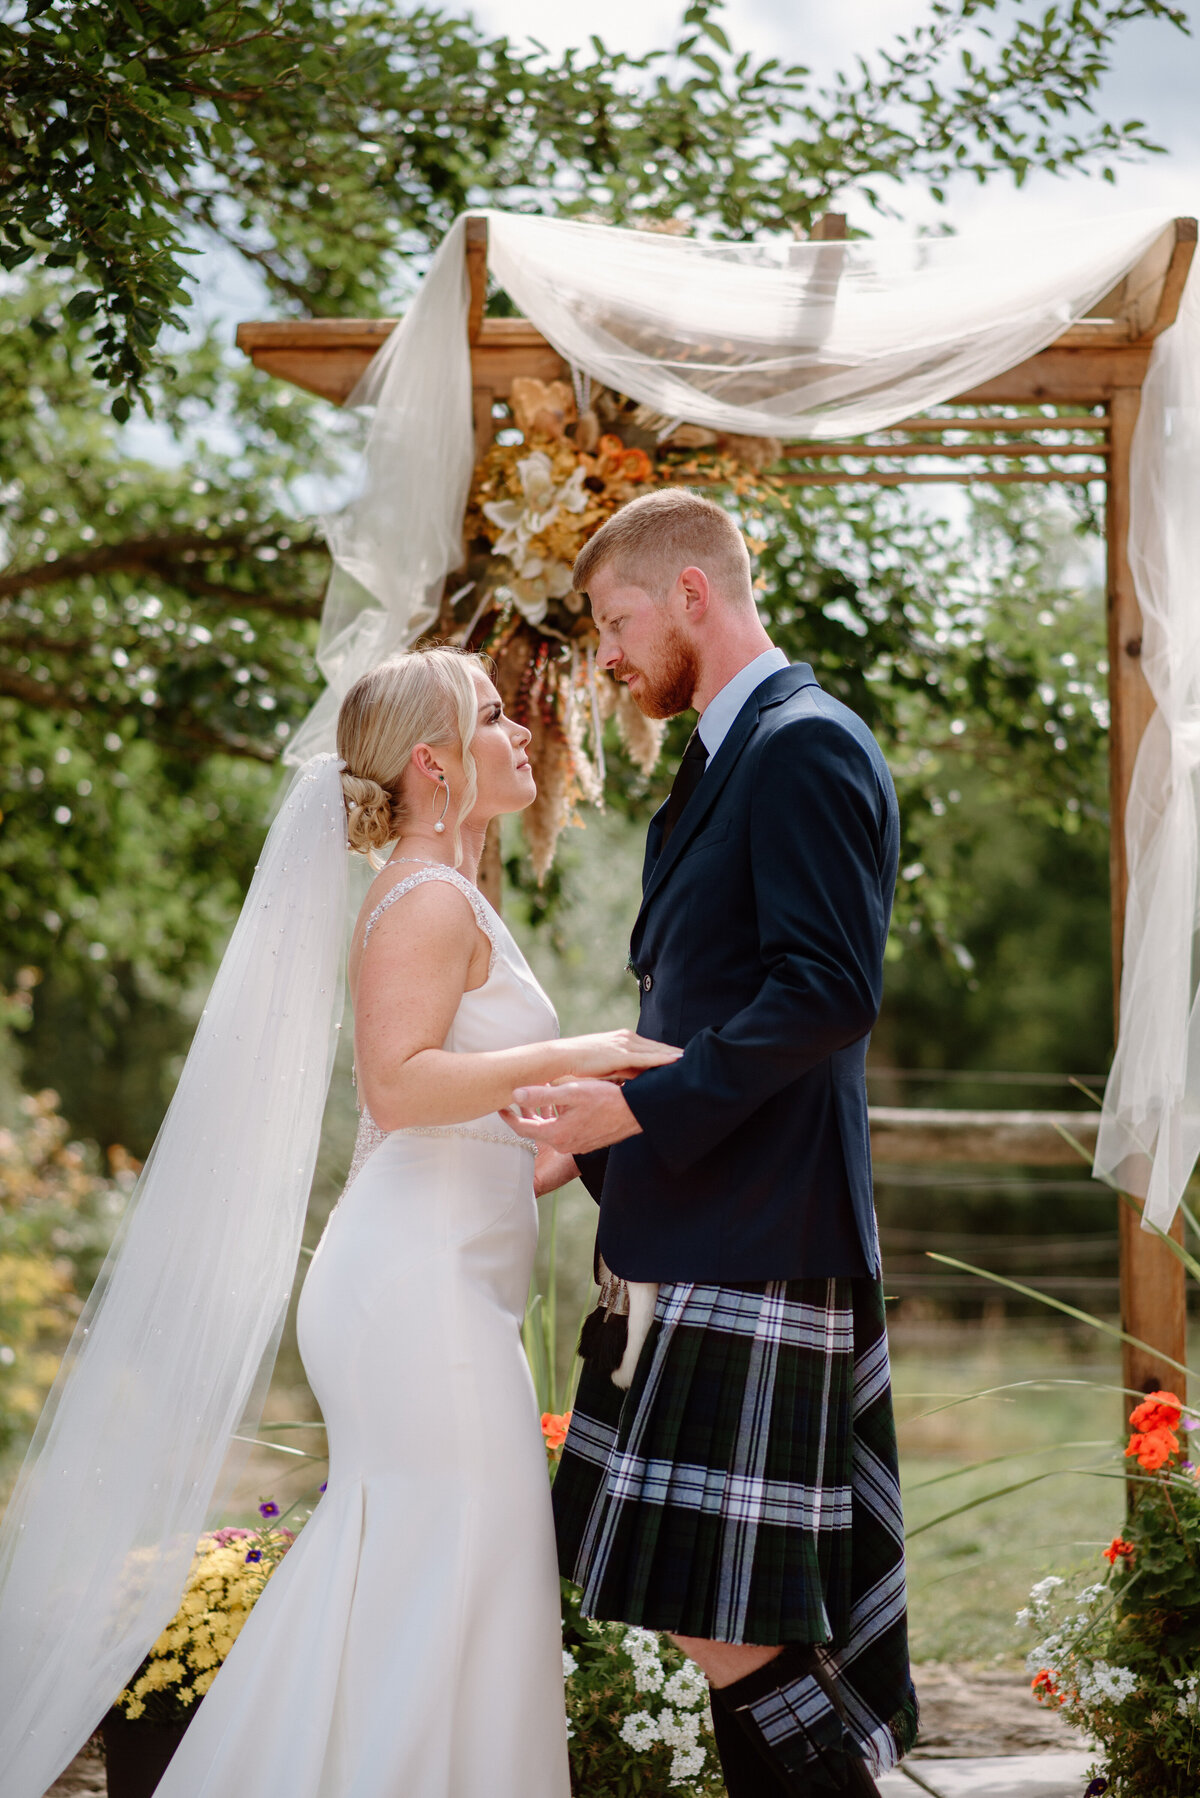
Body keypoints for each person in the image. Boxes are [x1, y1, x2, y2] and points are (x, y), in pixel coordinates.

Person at [0, 647, 681, 1798]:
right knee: (459, 1576)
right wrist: (589, 1048)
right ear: (435, 764)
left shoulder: (451, 894)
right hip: (412, 1300)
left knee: (431, 1579)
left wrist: (619, 1124)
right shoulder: (422, 897)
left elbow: (468, 1140)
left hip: (439, 1283)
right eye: (492, 717)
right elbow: (398, 1088)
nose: (523, 731)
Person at [506, 490, 918, 1798]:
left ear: (692, 593)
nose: (609, 658)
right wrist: (601, 1140)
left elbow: (825, 990)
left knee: (729, 1616)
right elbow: (708, 1007)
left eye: (619, 621)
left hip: (757, 1237)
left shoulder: (804, 745)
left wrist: (633, 1110)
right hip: (701, 1222)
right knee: (713, 1610)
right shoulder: (717, 761)